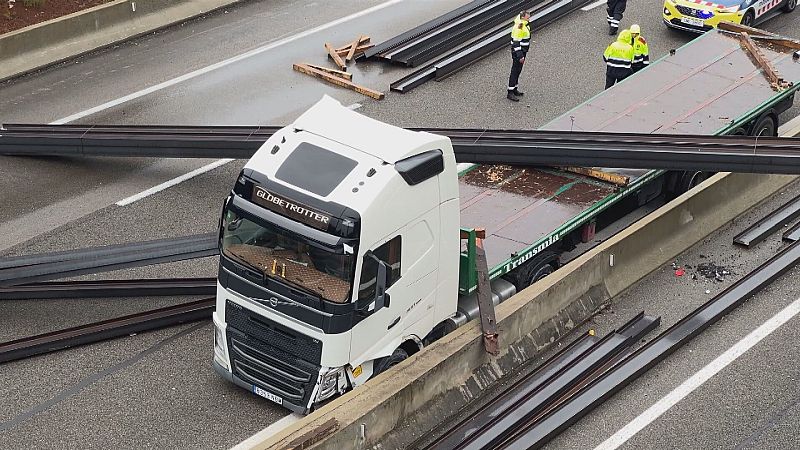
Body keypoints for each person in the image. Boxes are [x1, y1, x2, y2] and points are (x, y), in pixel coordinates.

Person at [507, 10, 531, 102]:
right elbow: (516, 43)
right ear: (523, 17)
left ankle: (514, 89)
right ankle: (510, 92)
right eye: (527, 17)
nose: (529, 19)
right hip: (518, 52)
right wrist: (520, 56)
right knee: (515, 70)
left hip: (521, 51)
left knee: (518, 70)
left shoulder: (523, 24)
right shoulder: (520, 26)